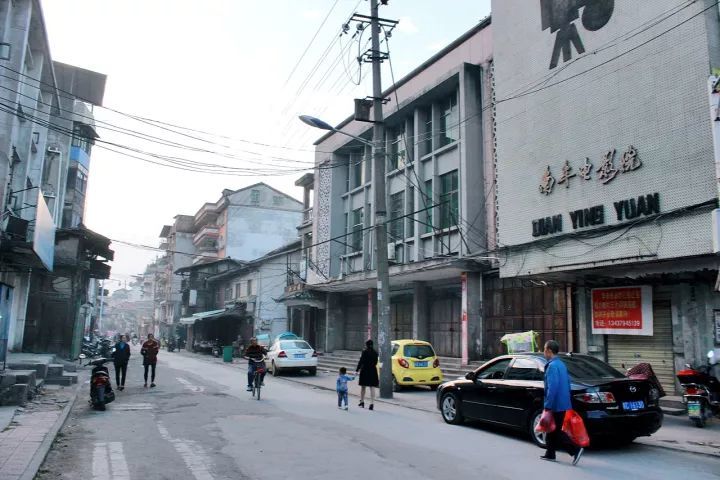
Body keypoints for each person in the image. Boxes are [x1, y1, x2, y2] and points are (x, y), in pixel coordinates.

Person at [541, 339, 584, 466]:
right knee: (551, 429)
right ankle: (550, 454)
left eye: (544, 349)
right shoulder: (561, 364)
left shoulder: (553, 366)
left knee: (557, 430)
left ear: (549, 351)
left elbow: (552, 387)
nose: (543, 352)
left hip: (556, 403)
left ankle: (575, 450)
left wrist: (548, 405)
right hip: (562, 402)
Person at [356, 339, 379, 410]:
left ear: (366, 345)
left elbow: (361, 361)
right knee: (372, 387)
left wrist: (357, 369)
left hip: (365, 370)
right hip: (373, 370)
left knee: (363, 387)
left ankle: (362, 401)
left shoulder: (364, 352)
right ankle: (372, 403)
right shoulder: (375, 353)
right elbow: (376, 362)